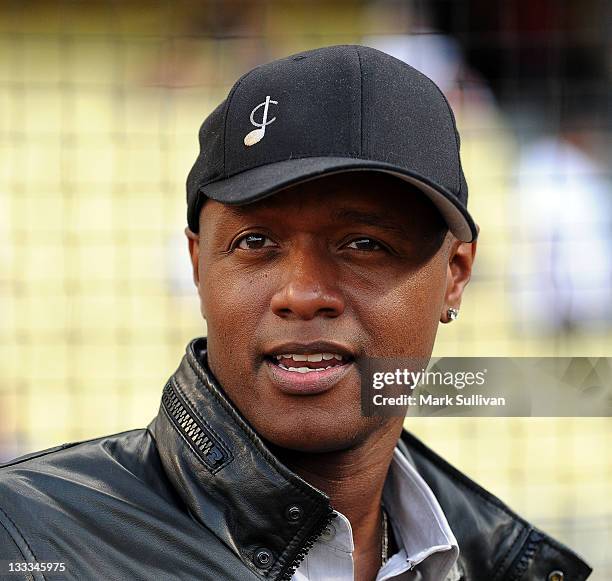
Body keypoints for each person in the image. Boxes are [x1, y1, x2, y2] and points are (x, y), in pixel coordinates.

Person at [0, 45, 591, 581]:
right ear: (199, 266)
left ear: (455, 275)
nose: (302, 294)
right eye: (255, 242)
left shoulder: (495, 562)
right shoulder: (25, 537)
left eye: (364, 243)